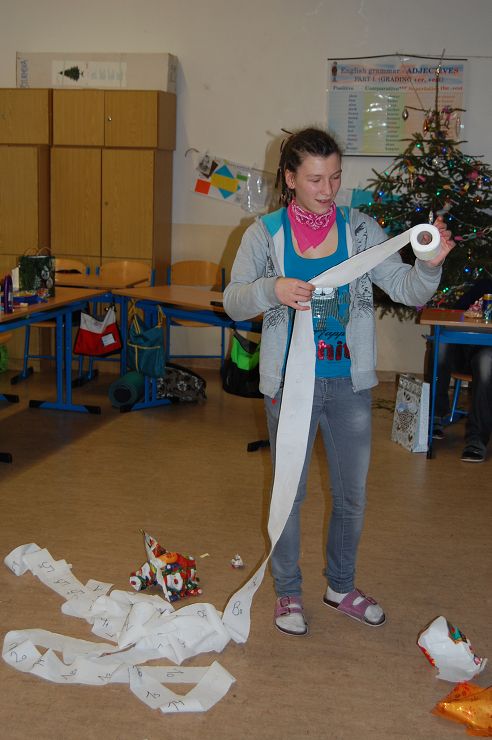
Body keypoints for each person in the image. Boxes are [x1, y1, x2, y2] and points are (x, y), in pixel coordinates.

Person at [223, 127, 454, 636]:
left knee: (353, 496)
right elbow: (234, 301)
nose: (327, 190)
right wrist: (272, 288)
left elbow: (407, 289)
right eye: (315, 179)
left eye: (334, 177)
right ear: (290, 178)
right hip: (290, 385)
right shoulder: (264, 235)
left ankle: (341, 586)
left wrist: (429, 266)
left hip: (348, 383)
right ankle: (288, 593)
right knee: (290, 492)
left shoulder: (361, 230)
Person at [432, 278, 492, 463]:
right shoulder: (485, 286)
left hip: (487, 356)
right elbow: (455, 312)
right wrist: (470, 312)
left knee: (486, 361)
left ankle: (477, 439)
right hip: (464, 350)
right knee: (441, 346)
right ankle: (436, 415)